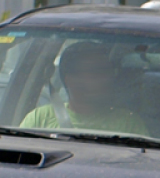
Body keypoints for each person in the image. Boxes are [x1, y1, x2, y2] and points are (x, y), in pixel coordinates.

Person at [20, 42, 148, 135]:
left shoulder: (129, 124)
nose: (108, 78)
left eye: (108, 71)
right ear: (70, 80)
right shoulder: (40, 119)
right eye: (97, 72)